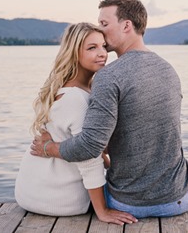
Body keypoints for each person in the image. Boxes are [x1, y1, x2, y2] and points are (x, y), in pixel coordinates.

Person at [31, 0, 188, 218]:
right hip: (178, 199)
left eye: (104, 24)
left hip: (127, 204)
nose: (101, 30)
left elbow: (89, 147)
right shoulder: (169, 70)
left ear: (126, 25)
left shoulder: (108, 76)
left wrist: (49, 148)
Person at [15, 22, 137, 225]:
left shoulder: (67, 88)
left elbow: (89, 148)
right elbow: (88, 158)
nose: (103, 53)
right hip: (60, 200)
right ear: (73, 53)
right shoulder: (76, 99)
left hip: (30, 193)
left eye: (103, 46)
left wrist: (111, 164)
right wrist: (103, 211)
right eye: (92, 48)